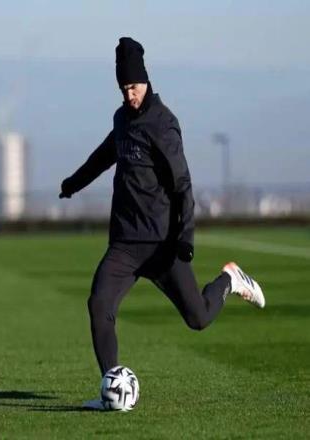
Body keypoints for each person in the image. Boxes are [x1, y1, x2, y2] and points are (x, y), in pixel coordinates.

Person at [59, 37, 265, 410]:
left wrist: (185, 237)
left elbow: (182, 184)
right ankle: (112, 389)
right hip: (124, 244)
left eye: (134, 86)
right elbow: (105, 155)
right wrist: (74, 183)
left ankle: (230, 280)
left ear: (146, 80)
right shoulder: (122, 119)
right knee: (99, 304)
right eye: (124, 88)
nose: (129, 94)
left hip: (162, 244)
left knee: (198, 319)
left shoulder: (163, 123)